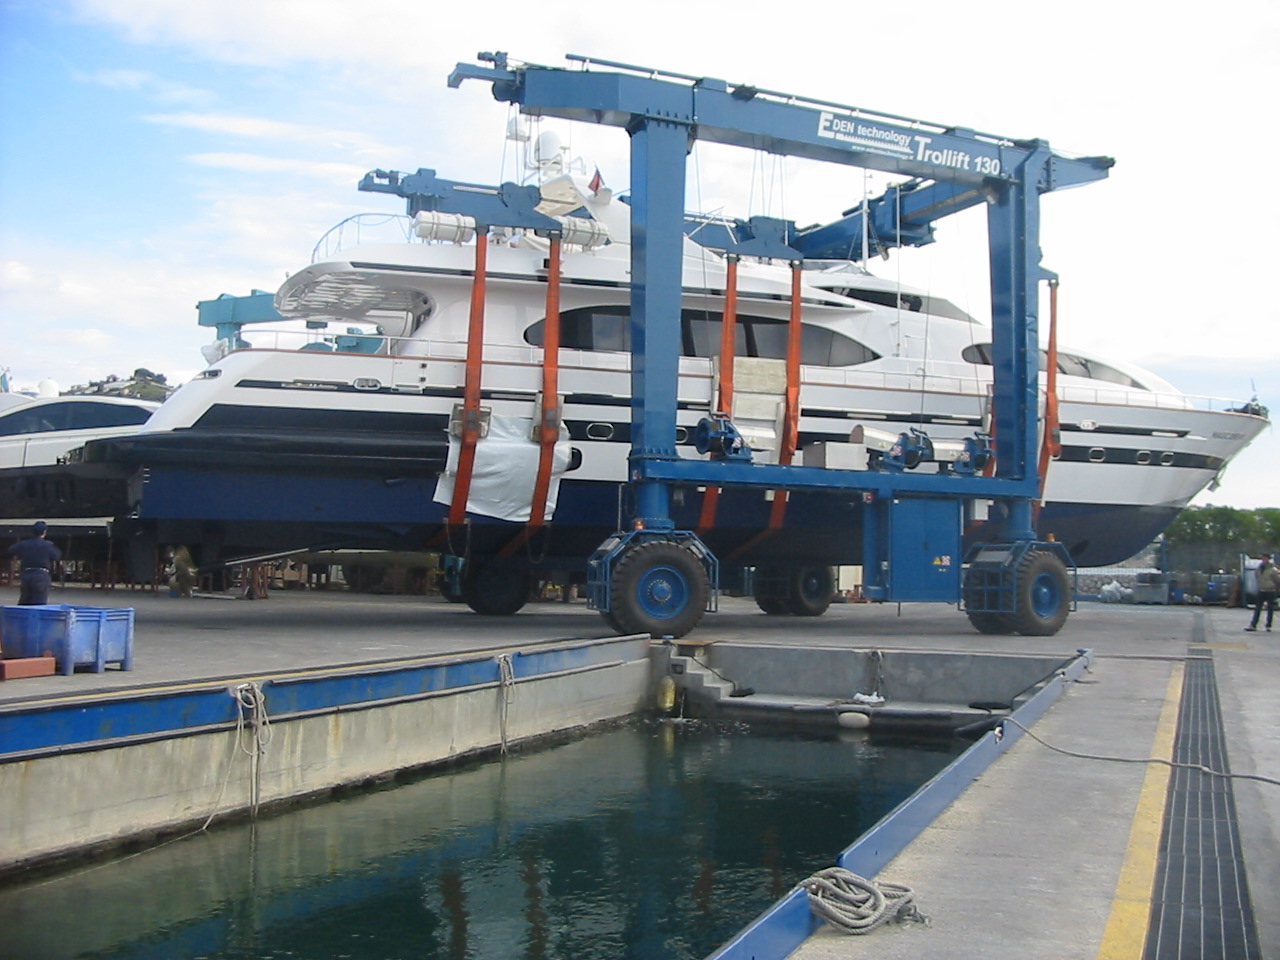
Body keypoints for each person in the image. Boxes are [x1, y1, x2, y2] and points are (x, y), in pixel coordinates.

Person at [6, 521, 62, 606]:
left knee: (24, 602)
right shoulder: (48, 545)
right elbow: (57, 556)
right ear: (44, 532)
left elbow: (11, 550)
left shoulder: (25, 544)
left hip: (27, 574)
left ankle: (22, 618)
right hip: (41, 575)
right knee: (39, 604)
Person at [1245, 552, 1280, 632]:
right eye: (1262, 558)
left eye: (1265, 558)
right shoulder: (1259, 568)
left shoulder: (1273, 570)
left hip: (1270, 591)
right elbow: (1257, 576)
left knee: (1270, 609)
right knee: (1258, 608)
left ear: (1268, 559)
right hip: (1261, 590)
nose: (1263, 560)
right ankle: (1253, 625)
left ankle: (1268, 625)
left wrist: (1275, 587)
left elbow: (1278, 580)